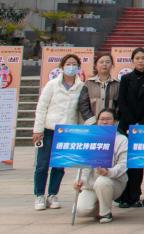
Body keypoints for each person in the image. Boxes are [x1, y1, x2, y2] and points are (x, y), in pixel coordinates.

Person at [32, 52, 85, 210]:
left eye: (74, 64)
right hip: (49, 130)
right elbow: (42, 107)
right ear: (62, 66)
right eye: (68, 64)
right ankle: (39, 195)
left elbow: (80, 110)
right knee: (42, 164)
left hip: (67, 132)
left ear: (78, 67)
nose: (71, 67)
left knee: (59, 166)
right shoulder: (52, 85)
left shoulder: (81, 86)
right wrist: (38, 130)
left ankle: (52, 194)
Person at [115, 47, 144, 209]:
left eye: (143, 58)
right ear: (132, 60)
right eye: (137, 58)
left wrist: (142, 122)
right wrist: (132, 122)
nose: (140, 61)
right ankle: (123, 197)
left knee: (139, 162)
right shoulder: (126, 78)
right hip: (127, 125)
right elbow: (122, 102)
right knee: (126, 161)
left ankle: (135, 196)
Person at [72, 108, 127, 223]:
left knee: (102, 181)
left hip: (113, 182)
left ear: (115, 122)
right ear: (97, 122)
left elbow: (123, 165)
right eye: (102, 119)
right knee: (81, 211)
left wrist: (108, 172)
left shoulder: (122, 140)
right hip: (91, 184)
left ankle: (105, 213)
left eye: (108, 119)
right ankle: (98, 204)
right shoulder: (90, 139)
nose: (105, 122)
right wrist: (79, 180)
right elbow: (83, 165)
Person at [78, 52, 119, 123]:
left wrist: (114, 119)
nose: (104, 64)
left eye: (107, 62)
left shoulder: (117, 84)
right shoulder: (88, 83)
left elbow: (120, 105)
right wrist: (91, 120)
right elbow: (83, 104)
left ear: (112, 65)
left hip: (111, 123)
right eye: (101, 62)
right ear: (96, 66)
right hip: (92, 123)